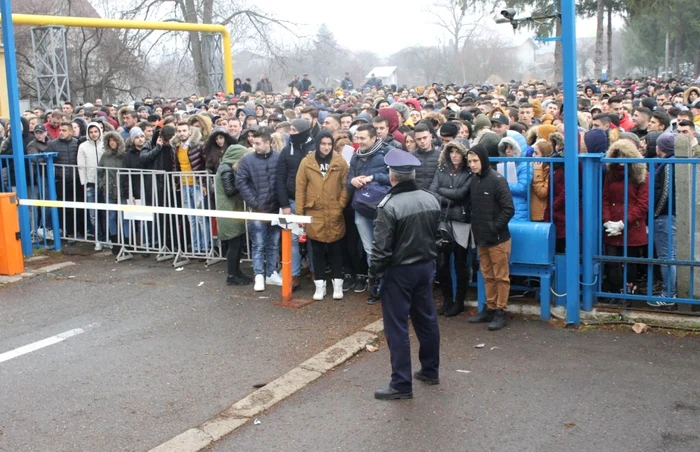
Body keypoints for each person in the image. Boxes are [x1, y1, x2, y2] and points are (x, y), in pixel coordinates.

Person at [370, 149, 441, 401]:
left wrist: (374, 276)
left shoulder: (388, 206)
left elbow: (381, 247)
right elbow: (438, 233)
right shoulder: (430, 198)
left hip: (399, 270)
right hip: (425, 266)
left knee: (396, 326)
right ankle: (430, 369)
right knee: (426, 318)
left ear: (392, 177)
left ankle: (401, 382)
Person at [295, 131, 349, 300]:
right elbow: (300, 188)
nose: (326, 147)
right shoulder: (307, 162)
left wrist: (341, 204)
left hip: (334, 210)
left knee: (335, 250)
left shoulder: (340, 162)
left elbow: (346, 186)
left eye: (329, 144)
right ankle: (320, 285)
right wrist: (300, 215)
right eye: (323, 144)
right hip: (314, 211)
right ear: (317, 144)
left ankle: (337, 285)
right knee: (316, 250)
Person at [466, 144, 515, 331]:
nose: (472, 165)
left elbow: (508, 208)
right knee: (487, 275)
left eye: (475, 161)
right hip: (481, 237)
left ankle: (500, 311)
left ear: (483, 160)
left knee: (501, 276)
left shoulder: (497, 180)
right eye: (470, 161)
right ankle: (490, 307)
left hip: (497, 238)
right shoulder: (474, 180)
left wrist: (494, 227)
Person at [347, 124, 391, 304]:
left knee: (385, 248)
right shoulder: (356, 157)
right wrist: (353, 181)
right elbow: (347, 179)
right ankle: (374, 287)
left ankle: (388, 285)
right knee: (369, 249)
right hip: (362, 207)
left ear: (373, 138)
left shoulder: (388, 152)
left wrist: (374, 178)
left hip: (383, 207)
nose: (359, 142)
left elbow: (394, 176)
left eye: (362, 138)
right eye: (357, 138)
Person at [429, 140, 473, 317]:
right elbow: (432, 191)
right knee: (442, 262)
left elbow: (463, 194)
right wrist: (448, 197)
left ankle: (459, 302)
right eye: (451, 151)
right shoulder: (441, 169)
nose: (454, 155)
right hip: (443, 220)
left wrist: (443, 192)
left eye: (457, 152)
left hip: (462, 220)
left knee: (460, 263)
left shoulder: (468, 171)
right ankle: (447, 299)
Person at [235, 128, 283, 291]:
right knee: (259, 244)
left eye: (257, 143)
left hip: (276, 209)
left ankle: (271, 273)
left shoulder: (278, 158)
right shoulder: (247, 160)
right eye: (253, 142)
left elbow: (283, 180)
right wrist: (255, 202)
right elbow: (241, 182)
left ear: (268, 143)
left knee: (274, 244)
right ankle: (259, 275)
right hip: (257, 209)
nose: (254, 145)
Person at [602, 139, 649, 300]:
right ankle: (616, 293)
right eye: (617, 154)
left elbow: (643, 204)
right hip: (612, 225)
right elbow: (605, 198)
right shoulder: (610, 174)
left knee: (630, 263)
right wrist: (607, 220)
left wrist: (623, 222)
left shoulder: (642, 175)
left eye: (624, 154)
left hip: (631, 225)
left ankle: (629, 295)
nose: (621, 158)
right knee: (612, 261)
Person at [276, 119, 315, 290]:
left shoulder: (314, 148)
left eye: (293, 129)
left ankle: (316, 273)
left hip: (312, 202)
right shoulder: (286, 151)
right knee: (292, 239)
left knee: (314, 239)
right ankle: (294, 274)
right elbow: (280, 179)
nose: (290, 133)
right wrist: (284, 204)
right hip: (291, 201)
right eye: (289, 129)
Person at [215, 144, 252, 285]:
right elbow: (229, 190)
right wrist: (242, 182)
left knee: (238, 242)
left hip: (233, 209)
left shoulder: (228, 168)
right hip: (228, 210)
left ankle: (237, 272)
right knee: (234, 244)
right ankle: (232, 275)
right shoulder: (226, 170)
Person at [649, 132, 676, 306]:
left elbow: (665, 192)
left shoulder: (667, 164)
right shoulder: (669, 162)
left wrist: (655, 213)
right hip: (667, 214)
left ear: (661, 148)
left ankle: (669, 294)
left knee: (667, 256)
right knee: (669, 255)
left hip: (665, 215)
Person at [77, 122, 105, 249]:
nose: (94, 134)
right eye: (91, 132)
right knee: (93, 213)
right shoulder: (83, 146)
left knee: (106, 212)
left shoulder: (105, 144)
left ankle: (108, 237)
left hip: (105, 184)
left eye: (96, 131)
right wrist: (84, 183)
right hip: (91, 183)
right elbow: (81, 167)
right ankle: (97, 239)